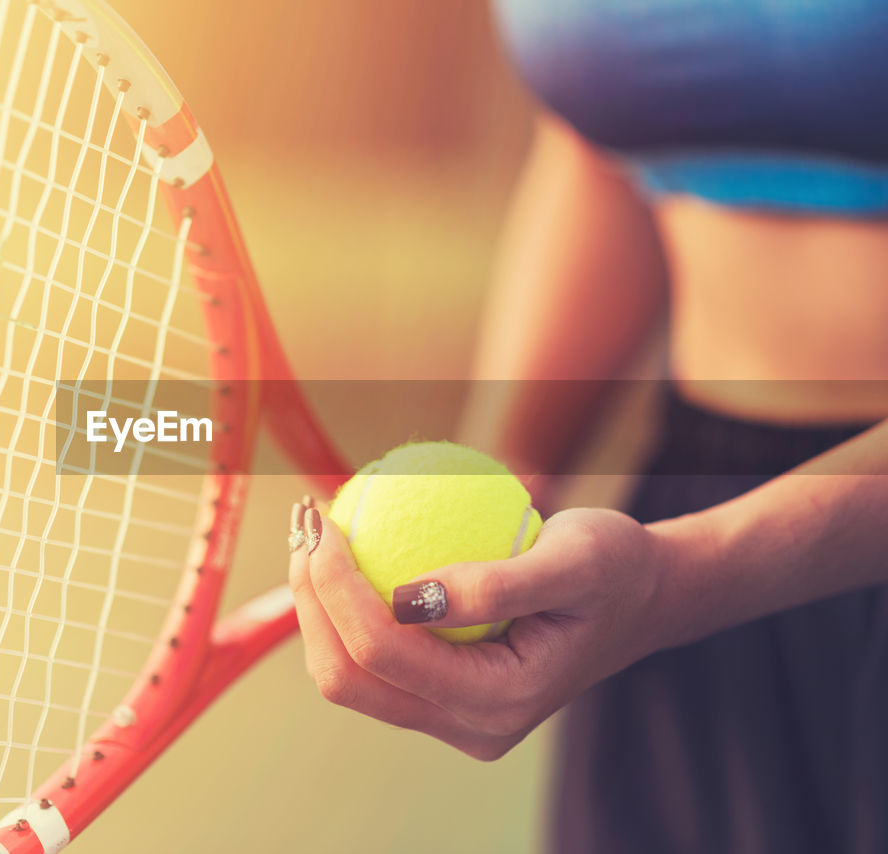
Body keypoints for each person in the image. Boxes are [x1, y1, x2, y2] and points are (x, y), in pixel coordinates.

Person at [287, 2, 888, 852]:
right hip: (685, 540)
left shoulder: (668, 579)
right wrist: (505, 473)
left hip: (711, 564)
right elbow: (602, 136)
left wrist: (680, 578)